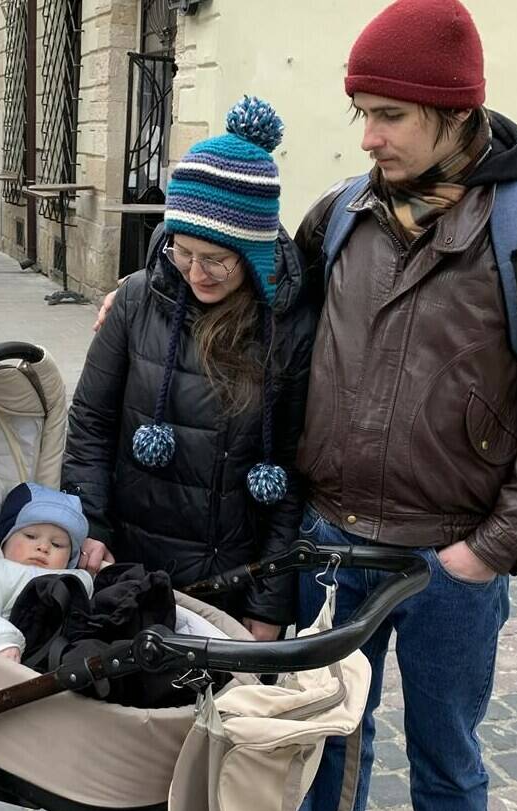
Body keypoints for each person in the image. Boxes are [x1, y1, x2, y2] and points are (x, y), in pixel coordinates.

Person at [282, 3, 517, 811]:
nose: (368, 136)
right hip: (329, 543)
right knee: (324, 749)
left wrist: (486, 551)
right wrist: (152, 296)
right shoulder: (340, 217)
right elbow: (269, 333)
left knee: (446, 765)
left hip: (448, 563)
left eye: (389, 115)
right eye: (362, 113)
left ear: (456, 111)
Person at [62, 97, 315, 640]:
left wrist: (270, 605)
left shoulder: (290, 327)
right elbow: (91, 425)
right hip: (129, 567)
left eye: (217, 259)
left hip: (232, 579)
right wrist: (92, 526)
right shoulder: (135, 301)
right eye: (182, 251)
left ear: (253, 252)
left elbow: (293, 474)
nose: (196, 272)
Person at [0, 482, 93, 663]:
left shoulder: (79, 580)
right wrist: (1, 640)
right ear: (5, 538)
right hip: (17, 656)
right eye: (30, 536)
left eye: (57, 544)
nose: (43, 547)